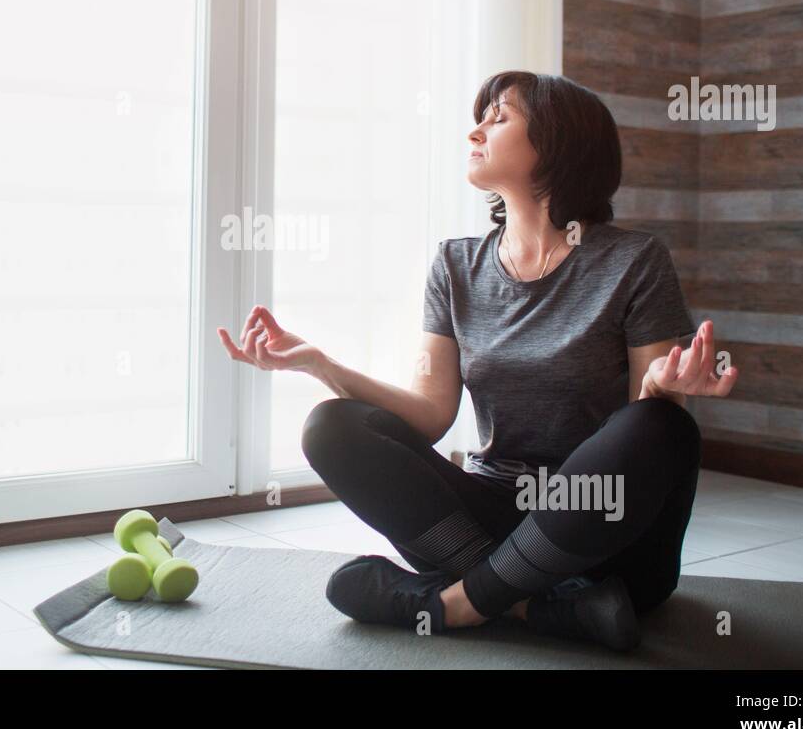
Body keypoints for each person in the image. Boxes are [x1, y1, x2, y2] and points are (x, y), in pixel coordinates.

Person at [217, 70, 739, 651]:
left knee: (662, 425)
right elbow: (430, 412)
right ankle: (534, 605)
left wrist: (663, 391)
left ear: (559, 143)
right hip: (489, 520)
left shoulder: (634, 261)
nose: (475, 132)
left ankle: (458, 604)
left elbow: (643, 424)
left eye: (499, 117)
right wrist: (321, 365)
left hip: (604, 538)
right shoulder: (455, 266)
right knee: (331, 424)